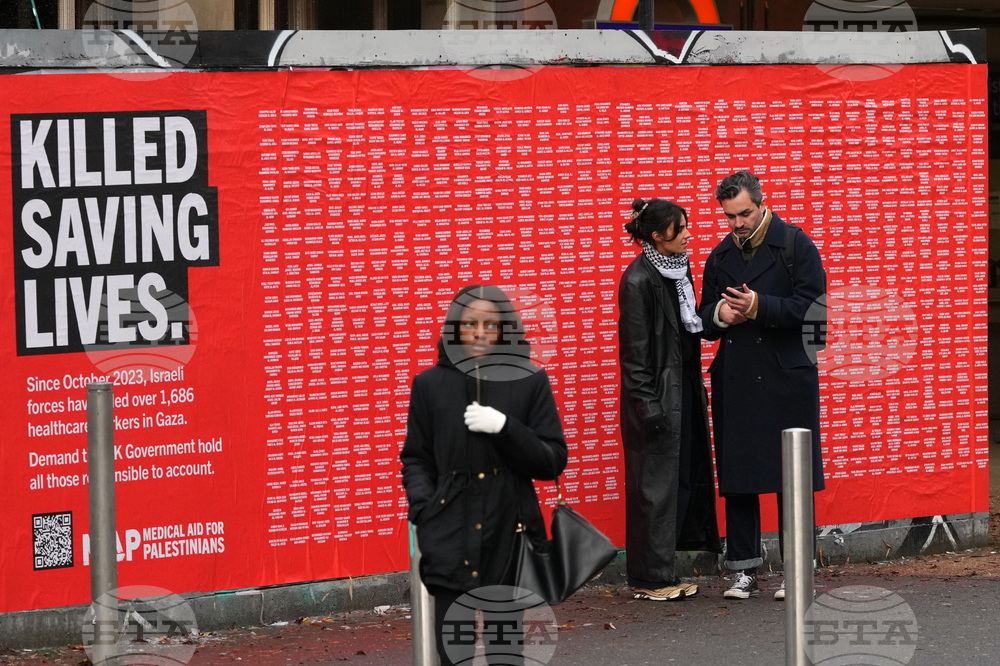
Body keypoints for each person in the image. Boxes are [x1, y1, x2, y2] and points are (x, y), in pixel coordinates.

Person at [400, 284, 568, 666]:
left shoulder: (529, 381)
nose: (478, 332)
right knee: (452, 651)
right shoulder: (429, 385)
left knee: (504, 649)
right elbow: (416, 458)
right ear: (454, 328)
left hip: (509, 530)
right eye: (469, 323)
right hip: (447, 530)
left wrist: (507, 427)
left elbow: (551, 460)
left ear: (505, 329)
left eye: (489, 325)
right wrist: (425, 509)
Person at [698, 171, 826, 600]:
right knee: (739, 476)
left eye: (745, 213)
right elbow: (703, 321)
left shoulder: (795, 245)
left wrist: (758, 307)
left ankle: (797, 569)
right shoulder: (719, 256)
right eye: (730, 216)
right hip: (736, 378)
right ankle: (744, 571)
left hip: (786, 378)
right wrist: (721, 315)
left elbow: (814, 311)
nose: (737, 223)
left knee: (792, 476)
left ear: (761, 203)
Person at [618, 198, 722, 602]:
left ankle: (664, 573)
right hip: (657, 402)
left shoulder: (679, 271)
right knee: (652, 491)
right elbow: (635, 357)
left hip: (682, 395)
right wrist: (649, 406)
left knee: (674, 486)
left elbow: (688, 335)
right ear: (658, 235)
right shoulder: (637, 281)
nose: (688, 234)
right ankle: (651, 580)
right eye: (680, 229)